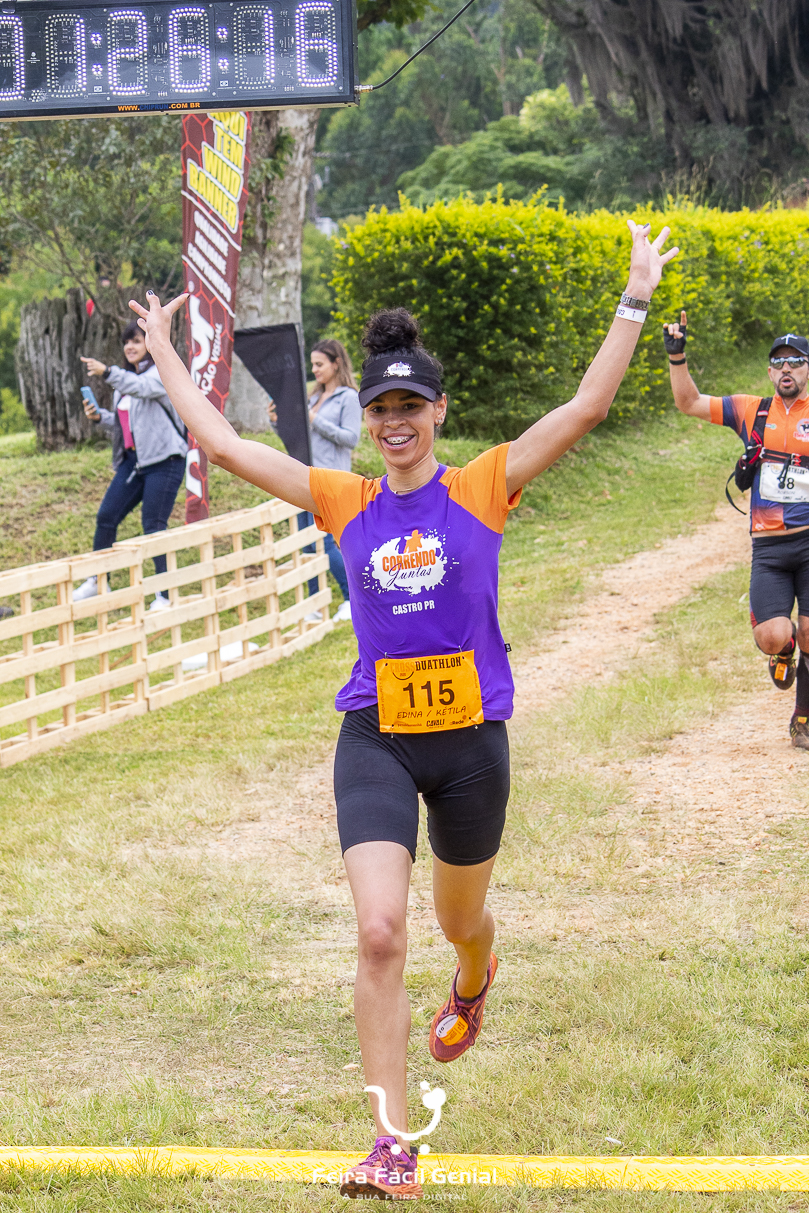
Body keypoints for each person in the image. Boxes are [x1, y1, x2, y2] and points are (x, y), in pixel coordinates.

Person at [130, 218, 677, 1201]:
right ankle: (390, 1143)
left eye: (409, 407)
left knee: (458, 920)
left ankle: (475, 974)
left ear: (436, 411)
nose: (392, 421)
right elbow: (219, 441)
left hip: (469, 748)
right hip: (376, 737)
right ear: (368, 414)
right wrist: (164, 345)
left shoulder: (483, 486)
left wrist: (634, 295)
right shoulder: (344, 499)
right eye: (380, 406)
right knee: (381, 931)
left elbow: (587, 406)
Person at [664, 314, 809, 750]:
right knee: (772, 636)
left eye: (796, 361)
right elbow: (689, 402)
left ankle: (803, 719)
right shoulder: (752, 410)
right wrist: (677, 357)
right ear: (769, 372)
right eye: (778, 362)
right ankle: (784, 649)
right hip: (769, 548)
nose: (786, 368)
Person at [74, 320, 188, 609]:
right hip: (135, 462)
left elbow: (141, 388)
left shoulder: (160, 374)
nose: (130, 347)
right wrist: (100, 417)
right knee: (106, 516)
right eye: (126, 342)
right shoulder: (124, 384)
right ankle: (99, 581)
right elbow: (126, 423)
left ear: (149, 344)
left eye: (136, 341)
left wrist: (107, 372)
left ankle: (164, 595)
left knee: (153, 525)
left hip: (165, 460)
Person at [296, 339, 361, 626]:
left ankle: (351, 600)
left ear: (336, 364)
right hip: (303, 478)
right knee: (306, 544)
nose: (314, 370)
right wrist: (276, 421)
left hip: (332, 479)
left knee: (327, 542)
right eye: (312, 364)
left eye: (319, 364)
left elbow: (350, 438)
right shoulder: (312, 398)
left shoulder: (349, 397)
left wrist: (314, 419)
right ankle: (314, 604)